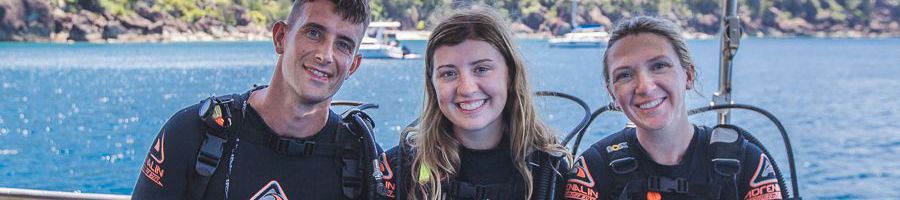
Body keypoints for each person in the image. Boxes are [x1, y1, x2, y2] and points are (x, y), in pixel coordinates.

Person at [132, 0, 388, 199]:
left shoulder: (362, 160)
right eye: (314, 33)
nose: (325, 55)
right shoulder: (193, 134)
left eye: (343, 45)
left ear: (353, 66)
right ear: (280, 38)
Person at [564, 16, 787, 200]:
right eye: (625, 75)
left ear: (688, 76)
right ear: (613, 93)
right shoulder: (594, 168)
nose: (645, 87)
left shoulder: (746, 162)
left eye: (659, 66)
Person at [379, 6, 570, 200]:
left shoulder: (551, 172)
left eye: (481, 69)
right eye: (449, 73)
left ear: (510, 75)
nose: (467, 88)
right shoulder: (400, 168)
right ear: (433, 84)